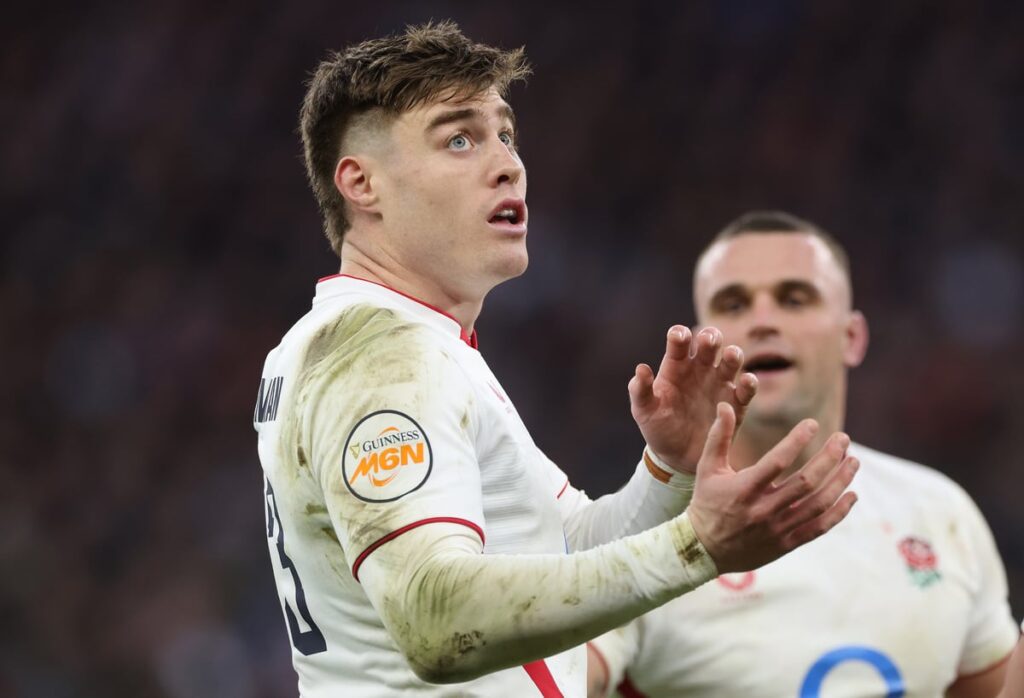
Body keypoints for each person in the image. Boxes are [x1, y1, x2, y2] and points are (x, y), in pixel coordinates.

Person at [253, 25, 859, 697]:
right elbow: (434, 616)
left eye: (505, 136)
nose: (507, 163)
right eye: (459, 139)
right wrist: (700, 547)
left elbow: (567, 545)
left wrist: (670, 473)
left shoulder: (404, 344)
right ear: (361, 183)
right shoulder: (380, 357)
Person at [586, 211, 1019, 698]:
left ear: (851, 337)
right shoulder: (639, 535)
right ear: (703, 342)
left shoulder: (940, 512)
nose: (763, 321)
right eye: (733, 304)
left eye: (794, 298)